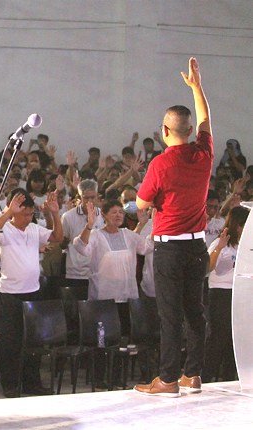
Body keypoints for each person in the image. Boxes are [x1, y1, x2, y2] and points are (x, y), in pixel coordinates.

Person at [135, 57, 213, 397]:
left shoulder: (160, 163)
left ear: (164, 131)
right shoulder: (204, 154)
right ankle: (192, 375)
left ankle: (167, 380)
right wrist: (197, 87)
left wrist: (148, 206)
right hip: (198, 247)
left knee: (169, 316)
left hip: (169, 249)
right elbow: (207, 118)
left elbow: (140, 204)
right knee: (195, 312)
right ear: (190, 130)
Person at [0, 188, 64, 397]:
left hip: (33, 292)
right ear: (14, 211)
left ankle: (31, 383)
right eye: (24, 214)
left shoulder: (34, 229)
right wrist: (7, 211)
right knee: (11, 342)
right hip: (9, 294)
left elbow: (58, 237)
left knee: (33, 341)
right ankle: (11, 384)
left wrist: (55, 213)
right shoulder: (5, 228)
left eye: (30, 214)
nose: (28, 218)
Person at [73, 200, 152, 332]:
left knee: (126, 333)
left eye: (121, 212)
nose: (118, 215)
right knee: (106, 334)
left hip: (127, 294)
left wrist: (151, 225)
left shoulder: (127, 234)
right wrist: (89, 225)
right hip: (104, 296)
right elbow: (81, 247)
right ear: (103, 215)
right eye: (114, 212)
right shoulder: (96, 235)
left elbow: (147, 247)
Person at [202, 206, 249, 383]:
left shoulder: (244, 246)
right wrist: (219, 248)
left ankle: (230, 378)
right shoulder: (220, 243)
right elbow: (208, 268)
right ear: (237, 225)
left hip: (240, 294)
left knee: (234, 340)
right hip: (220, 295)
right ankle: (206, 378)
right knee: (219, 338)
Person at [61, 179, 104, 290]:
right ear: (79, 197)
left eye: (92, 197)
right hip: (76, 273)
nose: (89, 201)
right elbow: (62, 244)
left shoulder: (103, 216)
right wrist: (64, 241)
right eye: (86, 197)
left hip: (98, 271)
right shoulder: (68, 217)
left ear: (97, 196)